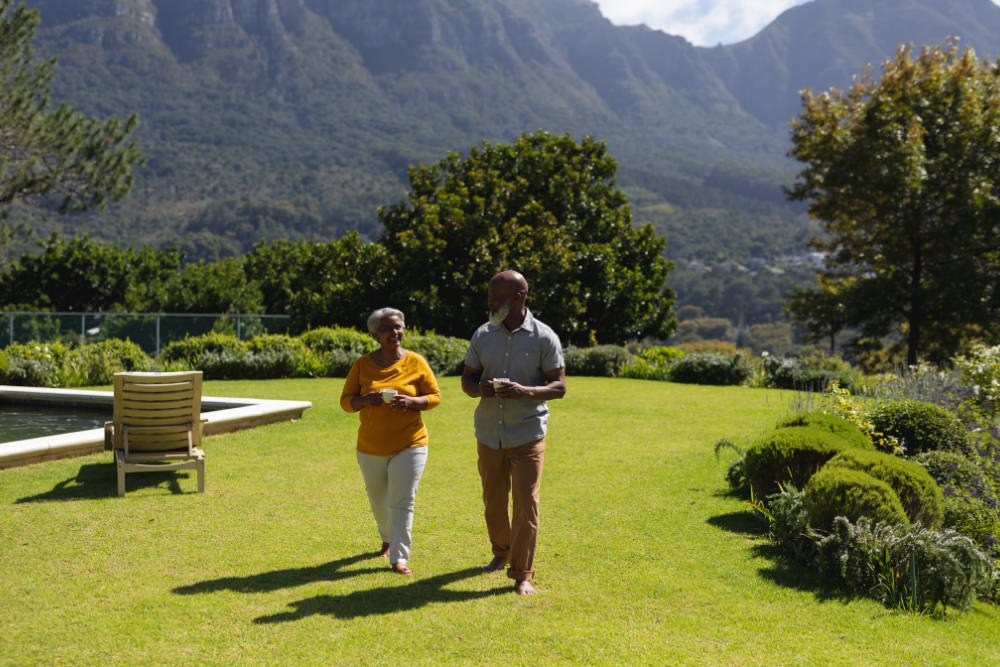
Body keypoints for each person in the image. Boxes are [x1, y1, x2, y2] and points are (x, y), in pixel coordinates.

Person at [461, 270, 566, 595]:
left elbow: (559, 387)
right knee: (493, 502)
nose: (490, 304)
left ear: (518, 298)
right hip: (489, 432)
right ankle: (500, 553)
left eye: (497, 299)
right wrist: (481, 390)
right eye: (490, 298)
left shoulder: (544, 336)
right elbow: (467, 381)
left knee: (525, 504)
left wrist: (524, 391)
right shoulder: (482, 334)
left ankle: (522, 574)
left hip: (527, 434)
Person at [340, 307, 441, 575]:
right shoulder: (362, 364)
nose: (394, 332)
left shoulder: (416, 362)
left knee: (403, 499)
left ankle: (398, 557)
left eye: (397, 327)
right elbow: (346, 402)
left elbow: (434, 397)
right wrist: (365, 399)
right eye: (386, 328)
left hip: (411, 442)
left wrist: (411, 402)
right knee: (378, 499)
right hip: (370, 446)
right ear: (375, 334)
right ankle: (386, 536)